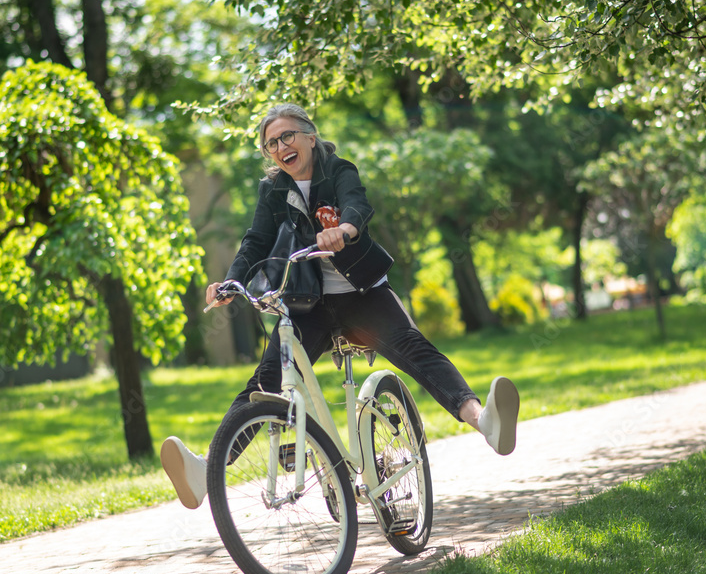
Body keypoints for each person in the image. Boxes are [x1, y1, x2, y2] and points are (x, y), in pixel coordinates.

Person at [160, 103, 520, 510]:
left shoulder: (339, 169)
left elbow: (357, 205)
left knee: (417, 351)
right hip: (308, 304)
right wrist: (232, 280)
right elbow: (255, 240)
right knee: (265, 383)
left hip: (363, 294)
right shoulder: (273, 189)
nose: (280, 147)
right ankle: (206, 472)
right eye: (270, 144)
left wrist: (345, 230)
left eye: (287, 136)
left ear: (310, 136)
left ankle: (483, 420)